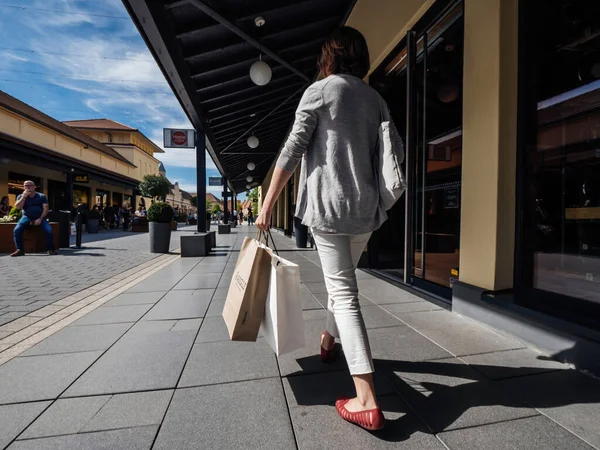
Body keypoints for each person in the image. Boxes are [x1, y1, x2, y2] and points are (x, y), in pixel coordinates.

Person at [256, 27, 402, 431]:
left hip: (329, 209)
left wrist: (267, 204)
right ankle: (328, 340)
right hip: (366, 210)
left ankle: (366, 398)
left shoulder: (320, 91)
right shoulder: (376, 99)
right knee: (344, 282)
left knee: (344, 292)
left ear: (329, 57)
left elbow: (291, 149)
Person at [11, 181, 57, 256]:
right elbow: (18, 207)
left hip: (40, 217)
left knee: (49, 231)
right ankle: (20, 250)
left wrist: (40, 219)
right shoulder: (21, 196)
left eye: (29, 185)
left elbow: (45, 209)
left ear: (34, 186)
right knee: (17, 230)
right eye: (25, 186)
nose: (27, 187)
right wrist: (24, 197)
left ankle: (50, 249)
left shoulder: (41, 196)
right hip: (27, 217)